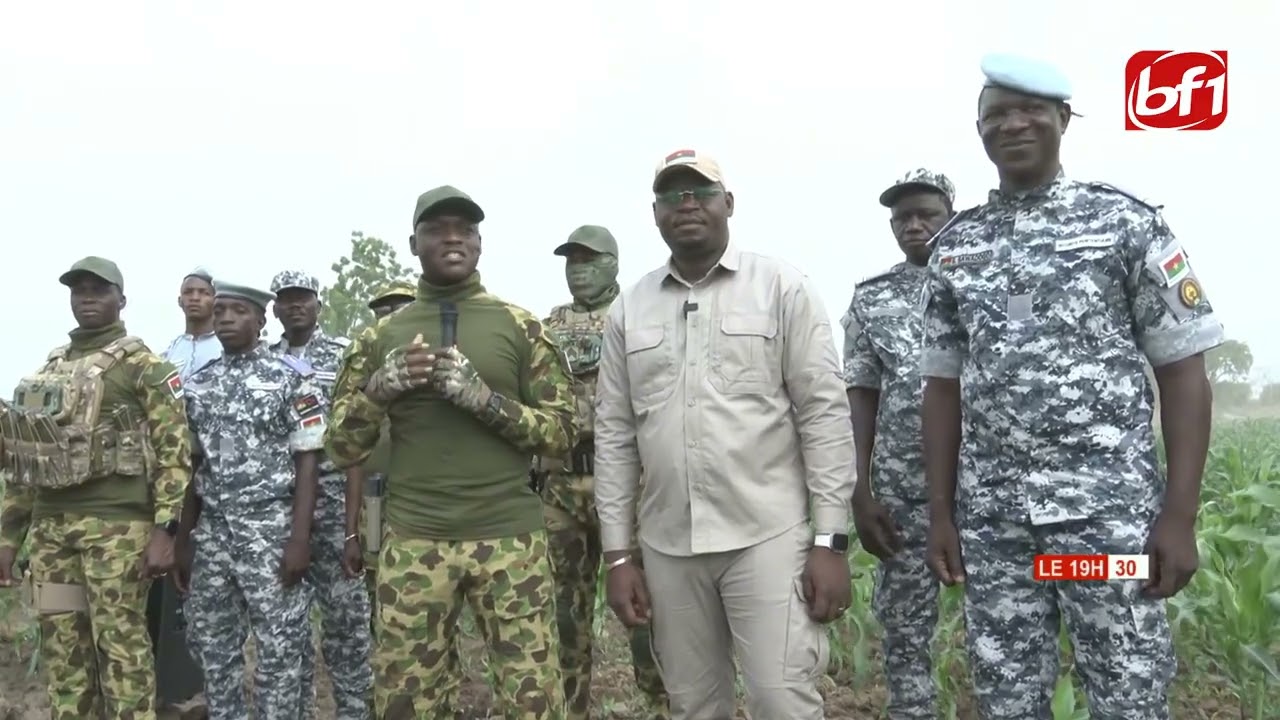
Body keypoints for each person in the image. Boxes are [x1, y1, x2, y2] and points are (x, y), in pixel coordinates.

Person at [920, 54, 1224, 720]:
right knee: (1007, 694)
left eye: (1030, 110)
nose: (1013, 124)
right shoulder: (955, 248)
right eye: (996, 114)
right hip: (998, 533)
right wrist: (942, 513)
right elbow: (940, 389)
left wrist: (1178, 515)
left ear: (1063, 118)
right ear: (979, 132)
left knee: (1126, 688)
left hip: (1106, 526)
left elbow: (1183, 371)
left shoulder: (1126, 225)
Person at [594, 150, 855, 720]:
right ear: (655, 214)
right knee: (693, 706)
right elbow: (614, 436)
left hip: (765, 537)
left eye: (701, 192)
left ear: (728, 204)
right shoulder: (628, 310)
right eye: (671, 196)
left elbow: (824, 415)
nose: (686, 204)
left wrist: (830, 541)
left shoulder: (782, 288)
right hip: (668, 546)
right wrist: (618, 557)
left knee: (781, 701)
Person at [324, 185, 576, 718]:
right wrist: (380, 389)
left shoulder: (520, 326)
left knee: (534, 701)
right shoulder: (379, 338)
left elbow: (561, 434)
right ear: (414, 244)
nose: (453, 237)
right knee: (405, 703)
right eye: (438, 229)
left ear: (480, 243)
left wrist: (484, 401)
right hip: (415, 541)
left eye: (465, 229)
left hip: (510, 540)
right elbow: (342, 446)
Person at [0, 256, 190, 720]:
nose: (86, 297)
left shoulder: (144, 367)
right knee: (64, 650)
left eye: (98, 289)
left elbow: (175, 453)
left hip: (117, 530)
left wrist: (166, 531)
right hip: (51, 534)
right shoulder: (49, 369)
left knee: (121, 646)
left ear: (121, 300)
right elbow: (28, 458)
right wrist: (8, 537)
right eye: (78, 289)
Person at [173, 280, 325, 720]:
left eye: (237, 311)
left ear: (261, 320)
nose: (224, 319)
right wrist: (184, 540)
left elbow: (309, 461)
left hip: (271, 531)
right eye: (219, 311)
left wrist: (300, 539)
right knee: (212, 645)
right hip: (215, 535)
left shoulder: (291, 378)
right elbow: (193, 468)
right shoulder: (198, 386)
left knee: (280, 646)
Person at [536, 225, 670, 720]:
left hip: (628, 485)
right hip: (560, 487)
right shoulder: (546, 327)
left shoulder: (640, 316)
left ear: (613, 264)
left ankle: (659, 706)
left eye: (589, 260)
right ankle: (570, 708)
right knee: (563, 611)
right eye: (571, 261)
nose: (578, 269)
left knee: (643, 607)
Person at [841, 168, 956, 720]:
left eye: (926, 214)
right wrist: (860, 492)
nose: (913, 226)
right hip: (902, 496)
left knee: (1008, 630)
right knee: (905, 633)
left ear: (950, 214)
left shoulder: (982, 279)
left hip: (986, 492)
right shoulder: (873, 299)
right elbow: (860, 395)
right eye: (902, 218)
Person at [268, 270, 373, 720]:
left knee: (347, 628)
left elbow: (355, 441)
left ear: (318, 304)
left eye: (303, 299)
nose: (295, 307)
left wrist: (353, 531)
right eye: (287, 300)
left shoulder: (343, 355)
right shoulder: (264, 360)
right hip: (279, 511)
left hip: (334, 505)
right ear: (274, 309)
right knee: (286, 632)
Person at [356, 278, 419, 627]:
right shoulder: (363, 364)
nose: (390, 318)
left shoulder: (435, 360)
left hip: (421, 494)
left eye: (399, 309)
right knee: (375, 580)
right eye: (382, 312)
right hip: (374, 494)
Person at [162, 267, 222, 382]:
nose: (195, 298)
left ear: (215, 300)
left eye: (204, 293)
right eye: (188, 292)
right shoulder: (171, 350)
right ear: (180, 301)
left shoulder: (224, 346)